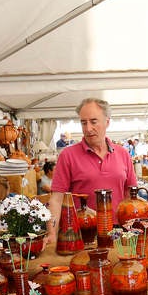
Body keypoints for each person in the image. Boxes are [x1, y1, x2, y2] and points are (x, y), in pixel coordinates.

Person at [43, 98, 137, 248]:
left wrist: (131, 228)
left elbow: (130, 195)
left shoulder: (123, 154)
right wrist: (52, 233)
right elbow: (56, 199)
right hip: (80, 234)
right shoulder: (68, 155)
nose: (88, 128)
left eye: (94, 122)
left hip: (118, 232)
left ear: (107, 122)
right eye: (83, 122)